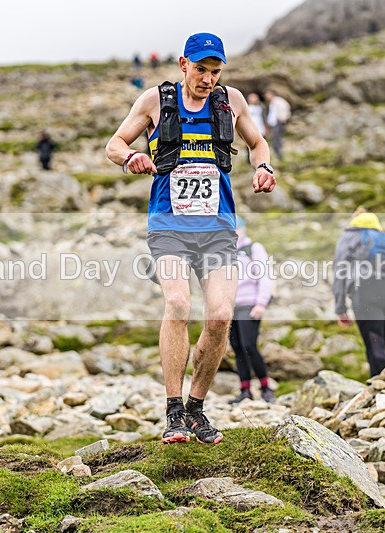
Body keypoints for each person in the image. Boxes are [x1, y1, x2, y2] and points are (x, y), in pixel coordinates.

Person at [106, 32, 276, 445]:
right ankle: (173, 410)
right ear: (184, 64)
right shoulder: (155, 101)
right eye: (200, 70)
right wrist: (131, 157)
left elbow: (257, 141)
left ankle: (196, 409)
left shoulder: (231, 101)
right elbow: (114, 144)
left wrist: (264, 166)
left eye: (215, 72)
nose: (207, 79)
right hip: (169, 226)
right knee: (178, 303)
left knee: (220, 316)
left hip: (218, 228)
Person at [332, 210, 385, 377]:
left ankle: (384, 388)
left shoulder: (349, 237)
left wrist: (340, 307)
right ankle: (382, 383)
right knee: (378, 345)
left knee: (375, 346)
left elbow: (340, 270)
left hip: (367, 289)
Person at [228, 217, 275, 404]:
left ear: (242, 229)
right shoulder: (225, 253)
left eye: (236, 228)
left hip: (250, 304)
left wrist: (261, 303)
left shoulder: (253, 248)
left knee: (249, 346)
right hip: (230, 307)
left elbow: (265, 276)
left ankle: (266, 387)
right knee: (237, 347)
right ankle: (245, 390)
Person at [265, 90, 291, 161]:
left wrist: (281, 118)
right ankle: (278, 156)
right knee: (274, 140)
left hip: (278, 123)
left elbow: (286, 109)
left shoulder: (279, 101)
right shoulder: (272, 103)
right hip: (274, 124)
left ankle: (280, 157)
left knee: (277, 140)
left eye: (267, 94)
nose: (266, 96)